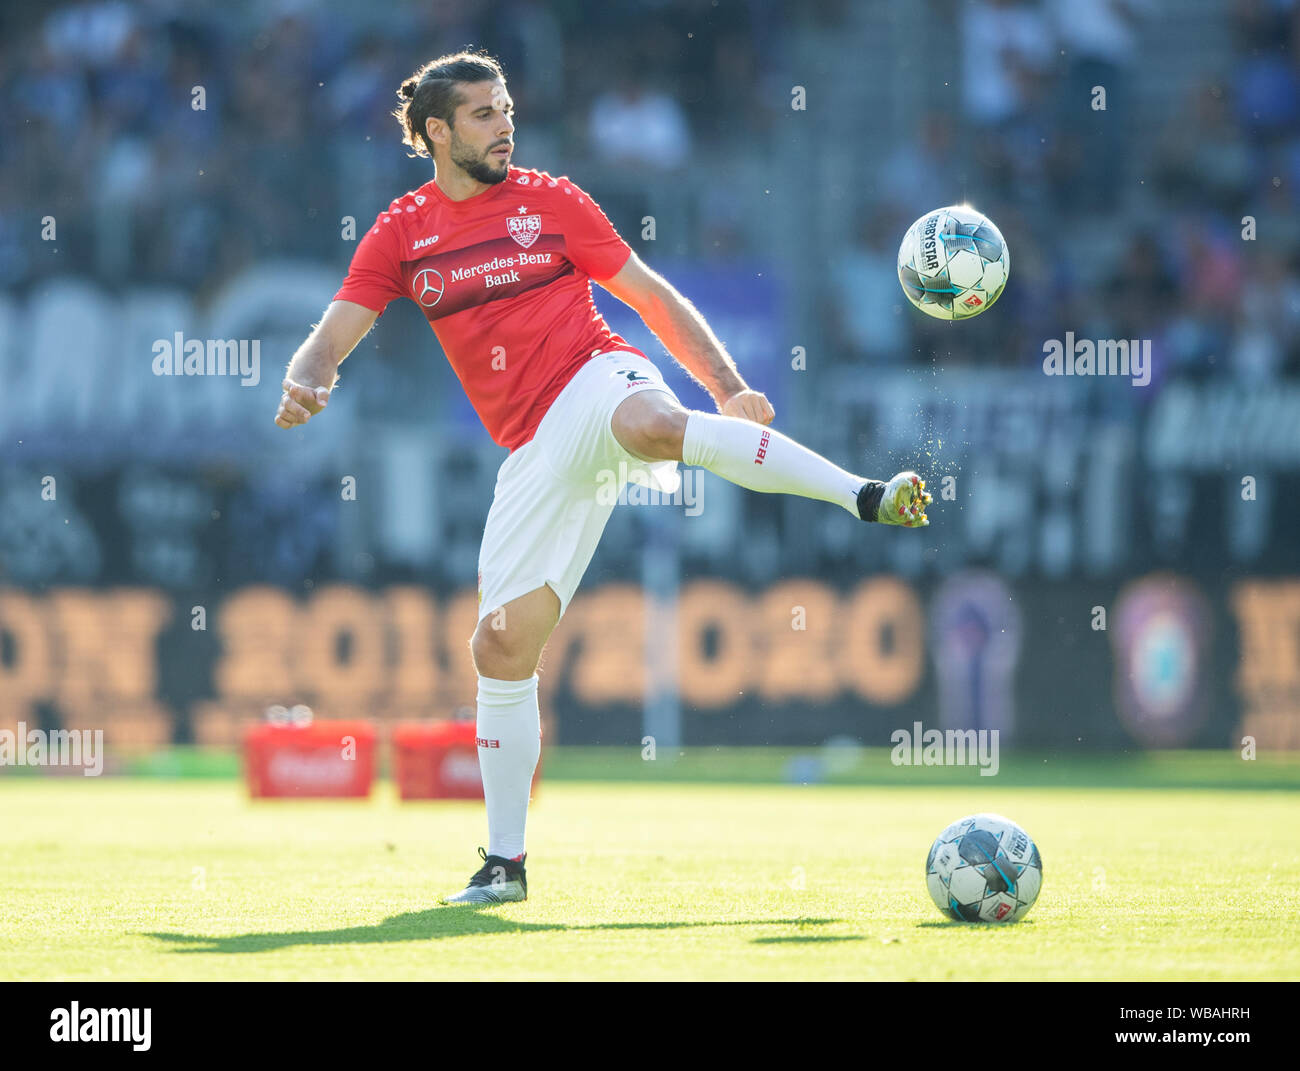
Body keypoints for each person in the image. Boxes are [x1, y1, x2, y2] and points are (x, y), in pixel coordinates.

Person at [273, 51, 930, 904]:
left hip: (595, 377)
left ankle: (864, 495)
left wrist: (726, 388)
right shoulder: (402, 230)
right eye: (482, 114)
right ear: (436, 131)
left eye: (507, 108)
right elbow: (334, 329)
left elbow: (652, 296)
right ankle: (504, 864)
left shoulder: (552, 202)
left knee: (654, 426)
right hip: (534, 448)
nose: (505, 123)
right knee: (501, 648)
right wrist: (309, 375)